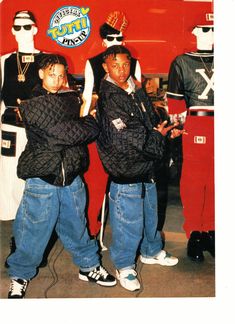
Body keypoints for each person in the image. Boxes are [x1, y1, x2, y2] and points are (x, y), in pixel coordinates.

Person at [7, 54, 116, 298]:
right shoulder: (29, 101)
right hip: (42, 176)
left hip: (72, 176)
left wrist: (84, 126)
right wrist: (85, 124)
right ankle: (20, 275)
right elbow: (65, 133)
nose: (57, 79)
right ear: (41, 74)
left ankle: (89, 267)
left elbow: (88, 130)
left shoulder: (70, 98)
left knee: (77, 226)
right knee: (32, 230)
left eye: (61, 74)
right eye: (51, 73)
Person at [96, 45, 181, 292]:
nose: (121, 70)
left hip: (147, 167)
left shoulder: (134, 88)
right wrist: (158, 137)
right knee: (127, 222)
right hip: (126, 170)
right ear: (105, 67)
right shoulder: (109, 99)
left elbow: (152, 122)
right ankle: (124, 266)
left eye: (125, 64)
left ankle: (151, 251)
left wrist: (168, 132)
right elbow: (128, 139)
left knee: (150, 214)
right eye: (115, 66)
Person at [0, 10, 55, 267]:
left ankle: (35, 241)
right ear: (12, 30)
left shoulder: (47, 61)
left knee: (36, 183)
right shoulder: (4, 61)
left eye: (27, 26)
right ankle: (19, 240)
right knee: (12, 183)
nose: (22, 31)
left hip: (37, 130)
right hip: (10, 129)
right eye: (17, 27)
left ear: (35, 29)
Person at [81, 11, 142, 237]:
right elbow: (87, 96)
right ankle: (91, 227)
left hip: (127, 130)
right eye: (110, 38)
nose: (115, 43)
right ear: (104, 39)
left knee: (126, 183)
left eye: (119, 39)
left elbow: (140, 97)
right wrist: (84, 127)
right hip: (100, 128)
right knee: (95, 180)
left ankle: (125, 232)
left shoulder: (133, 62)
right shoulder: (93, 62)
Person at [167, 17, 214, 262]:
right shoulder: (182, 61)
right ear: (194, 31)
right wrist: (178, 127)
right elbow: (175, 102)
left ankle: (212, 229)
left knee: (218, 180)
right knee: (195, 181)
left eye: (216, 29)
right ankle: (195, 231)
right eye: (206, 28)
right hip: (197, 123)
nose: (211, 34)